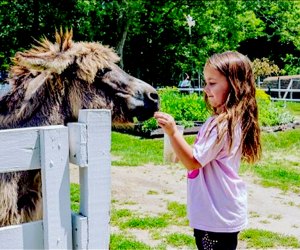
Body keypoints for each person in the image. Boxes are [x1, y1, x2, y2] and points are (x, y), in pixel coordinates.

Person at [154, 51, 261, 250]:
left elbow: (194, 161)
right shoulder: (222, 121)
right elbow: (198, 155)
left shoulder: (223, 125)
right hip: (217, 212)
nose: (206, 89)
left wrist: (172, 132)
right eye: (206, 82)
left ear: (234, 85)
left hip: (216, 216)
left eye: (212, 83)